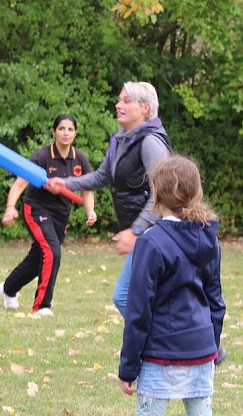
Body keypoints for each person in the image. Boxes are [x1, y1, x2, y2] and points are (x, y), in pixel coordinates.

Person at [117, 155, 225, 416]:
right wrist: (211, 345)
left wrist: (128, 367)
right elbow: (216, 302)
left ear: (156, 196)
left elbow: (139, 311)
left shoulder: (150, 242)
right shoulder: (208, 237)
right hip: (198, 353)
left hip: (160, 355)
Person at [47, 81, 171, 317]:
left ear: (144, 108)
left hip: (157, 233)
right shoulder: (121, 140)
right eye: (119, 99)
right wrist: (66, 183)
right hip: (143, 233)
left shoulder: (151, 142)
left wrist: (136, 231)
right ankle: (198, 349)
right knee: (156, 297)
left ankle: (174, 349)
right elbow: (102, 176)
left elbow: (161, 194)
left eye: (126, 101)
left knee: (125, 297)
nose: (118, 105)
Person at [0, 114, 96, 318]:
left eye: (70, 129)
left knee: (38, 259)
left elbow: (87, 190)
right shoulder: (42, 157)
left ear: (75, 133)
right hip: (36, 209)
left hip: (61, 214)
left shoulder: (80, 159)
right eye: (61, 129)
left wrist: (90, 210)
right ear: (54, 132)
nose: (66, 133)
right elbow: (19, 183)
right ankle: (42, 306)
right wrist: (10, 207)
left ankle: (8, 288)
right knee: (52, 253)